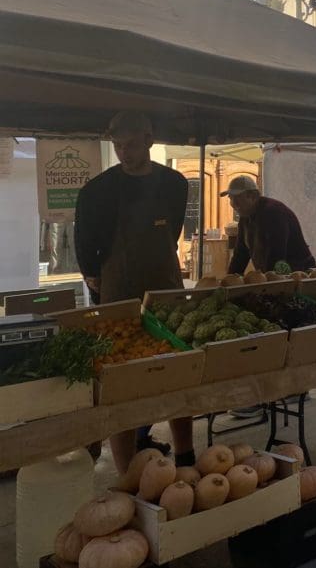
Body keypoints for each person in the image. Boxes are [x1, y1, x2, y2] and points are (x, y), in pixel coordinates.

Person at [74, 112, 194, 473]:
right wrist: (95, 279)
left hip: (166, 291)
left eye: (130, 145)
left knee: (178, 372)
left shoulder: (174, 183)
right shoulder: (98, 191)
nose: (124, 152)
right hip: (119, 292)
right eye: (118, 146)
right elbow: (85, 242)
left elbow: (172, 230)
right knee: (121, 382)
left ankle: (186, 453)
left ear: (149, 140)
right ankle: (126, 472)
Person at [225, 176, 316, 274]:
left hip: (299, 276)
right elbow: (240, 255)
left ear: (253, 196)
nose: (233, 203)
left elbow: (276, 256)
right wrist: (229, 282)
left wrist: (267, 283)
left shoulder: (273, 212)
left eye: (238, 197)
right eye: (231, 198)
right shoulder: (245, 217)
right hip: (277, 277)